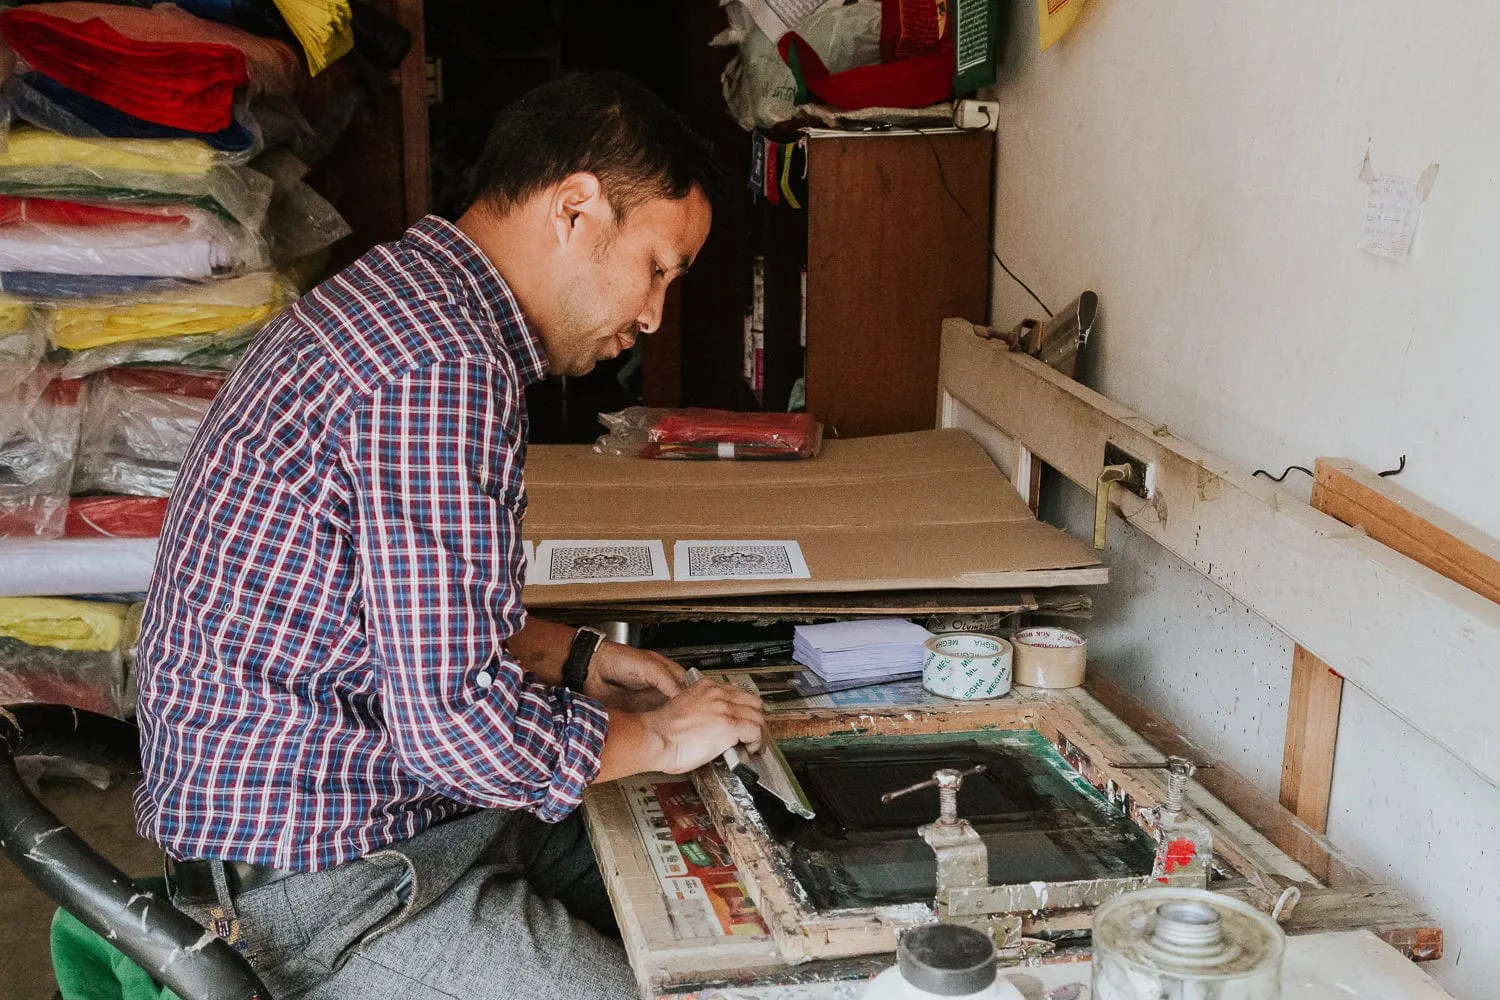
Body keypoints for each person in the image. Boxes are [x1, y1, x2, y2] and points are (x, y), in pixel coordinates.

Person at [132, 72, 765, 1000]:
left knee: (709, 908)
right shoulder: (442, 364)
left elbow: (404, 613)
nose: (651, 314)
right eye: (658, 267)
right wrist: (658, 738)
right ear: (577, 208)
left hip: (391, 821)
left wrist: (578, 660)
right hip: (322, 885)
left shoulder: (414, 302)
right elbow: (451, 727)